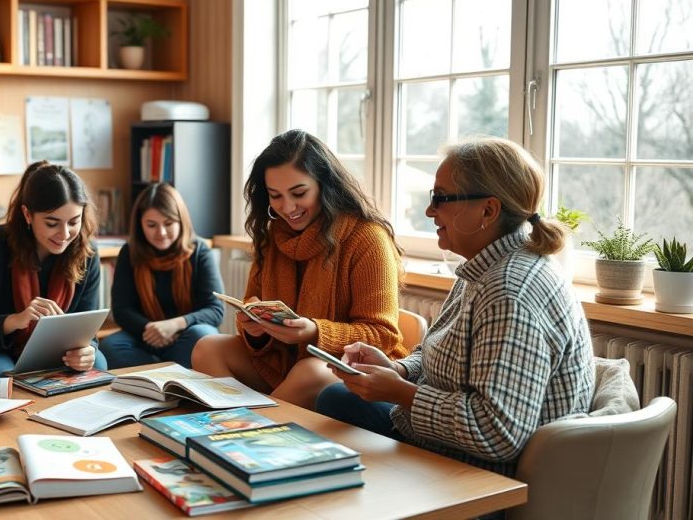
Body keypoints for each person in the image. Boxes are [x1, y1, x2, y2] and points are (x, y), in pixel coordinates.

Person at [315, 136, 595, 478]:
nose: (429, 210)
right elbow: (438, 353)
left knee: (335, 415)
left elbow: (498, 435)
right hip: (452, 443)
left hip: (484, 473)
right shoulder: (484, 265)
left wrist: (402, 393)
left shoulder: (509, 293)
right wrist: (398, 370)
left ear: (488, 211)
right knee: (335, 399)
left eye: (440, 198)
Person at [191, 130, 405, 409]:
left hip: (344, 369)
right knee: (206, 347)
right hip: (281, 362)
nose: (287, 207)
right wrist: (254, 330)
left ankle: (250, 434)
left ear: (325, 185)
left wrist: (314, 332)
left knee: (310, 371)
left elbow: (383, 334)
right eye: (275, 196)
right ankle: (235, 421)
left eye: (299, 193)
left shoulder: (367, 238)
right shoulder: (272, 236)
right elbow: (251, 312)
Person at [0, 160, 106, 377]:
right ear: (27, 214)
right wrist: (16, 320)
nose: (64, 234)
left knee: (97, 362)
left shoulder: (86, 253)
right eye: (52, 223)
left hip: (56, 353)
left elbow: (88, 329)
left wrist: (88, 350)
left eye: (74, 222)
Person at [101, 183, 224, 369]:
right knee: (110, 347)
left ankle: (159, 373)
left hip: (185, 335)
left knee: (204, 336)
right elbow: (121, 309)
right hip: (145, 336)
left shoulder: (199, 252)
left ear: (181, 221)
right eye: (151, 225)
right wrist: (152, 329)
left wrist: (174, 325)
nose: (161, 233)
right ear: (140, 224)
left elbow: (215, 310)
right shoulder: (130, 252)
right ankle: (167, 374)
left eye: (168, 223)